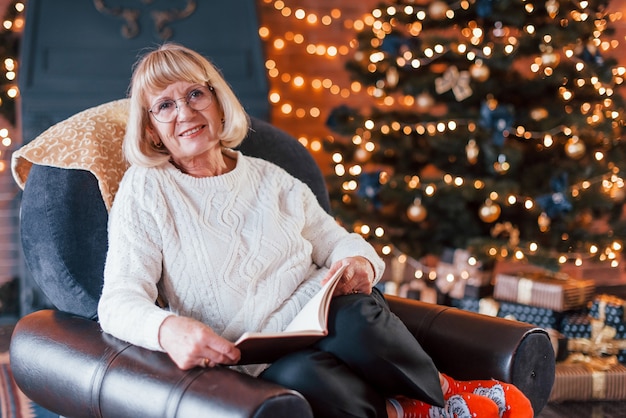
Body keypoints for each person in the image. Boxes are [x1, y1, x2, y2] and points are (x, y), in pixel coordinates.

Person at [97, 42, 533, 418]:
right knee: (309, 383)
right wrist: (168, 330)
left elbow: (337, 240)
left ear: (216, 99)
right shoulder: (146, 189)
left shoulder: (273, 179)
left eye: (195, 94)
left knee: (361, 316)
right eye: (165, 105)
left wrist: (359, 261)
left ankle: (447, 397)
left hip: (321, 318)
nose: (186, 113)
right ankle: (418, 410)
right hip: (250, 358)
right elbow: (118, 300)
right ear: (152, 130)